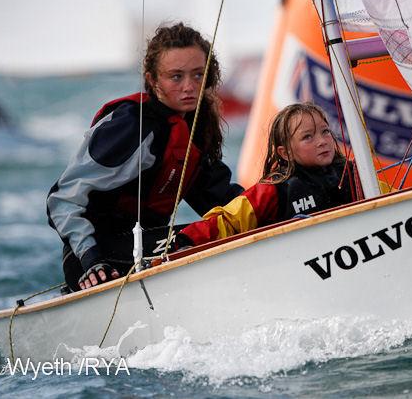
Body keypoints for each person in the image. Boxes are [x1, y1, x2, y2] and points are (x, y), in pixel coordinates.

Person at [47, 22, 243, 291]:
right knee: (211, 233)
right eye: (176, 77)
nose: (189, 86)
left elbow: (221, 198)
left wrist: (279, 205)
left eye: (198, 75)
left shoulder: (194, 129)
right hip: (95, 263)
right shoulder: (130, 126)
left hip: (148, 250)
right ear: (152, 80)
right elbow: (61, 200)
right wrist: (92, 259)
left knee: (233, 225)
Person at [174, 102, 360, 249]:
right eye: (308, 137)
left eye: (325, 131)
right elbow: (230, 220)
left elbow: (387, 201)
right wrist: (186, 240)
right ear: (285, 152)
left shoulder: (354, 174)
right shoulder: (274, 190)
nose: (322, 141)